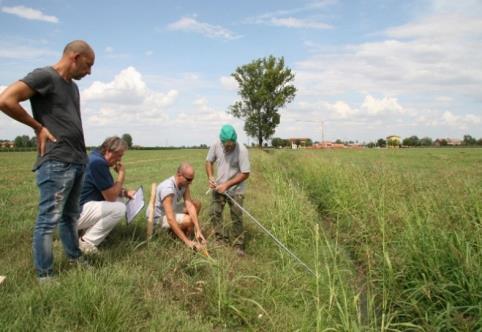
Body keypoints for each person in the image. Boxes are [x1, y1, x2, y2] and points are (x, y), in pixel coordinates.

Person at [0, 40, 95, 280]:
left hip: (77, 159)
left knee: (70, 216)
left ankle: (74, 258)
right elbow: (6, 99)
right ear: (74, 57)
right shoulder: (45, 76)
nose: (89, 71)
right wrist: (37, 127)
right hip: (56, 161)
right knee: (48, 220)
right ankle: (45, 275)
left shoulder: (73, 87)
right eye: (88, 64)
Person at [77, 136, 136, 254]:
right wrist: (121, 175)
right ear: (109, 151)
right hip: (76, 214)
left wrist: (125, 192)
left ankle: (86, 232)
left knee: (120, 199)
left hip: (77, 209)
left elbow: (107, 188)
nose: (119, 160)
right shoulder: (97, 163)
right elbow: (111, 197)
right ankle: (86, 242)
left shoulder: (95, 157)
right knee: (119, 208)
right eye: (119, 155)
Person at [205, 124, 250, 256]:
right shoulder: (215, 145)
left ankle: (238, 245)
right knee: (214, 213)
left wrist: (228, 185)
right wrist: (211, 177)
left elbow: (245, 173)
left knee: (236, 217)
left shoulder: (242, 150)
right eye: (226, 144)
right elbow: (208, 162)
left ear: (235, 140)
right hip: (218, 187)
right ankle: (220, 240)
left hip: (236, 190)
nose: (229, 146)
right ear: (221, 141)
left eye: (231, 144)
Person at [149, 162, 207, 251]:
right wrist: (188, 243)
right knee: (189, 219)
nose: (190, 183)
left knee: (196, 203)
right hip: (159, 218)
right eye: (188, 179)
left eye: (192, 179)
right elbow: (170, 219)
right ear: (179, 175)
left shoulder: (184, 184)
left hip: (171, 210)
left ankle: (189, 233)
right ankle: (181, 237)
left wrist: (198, 229)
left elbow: (189, 205)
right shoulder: (168, 189)